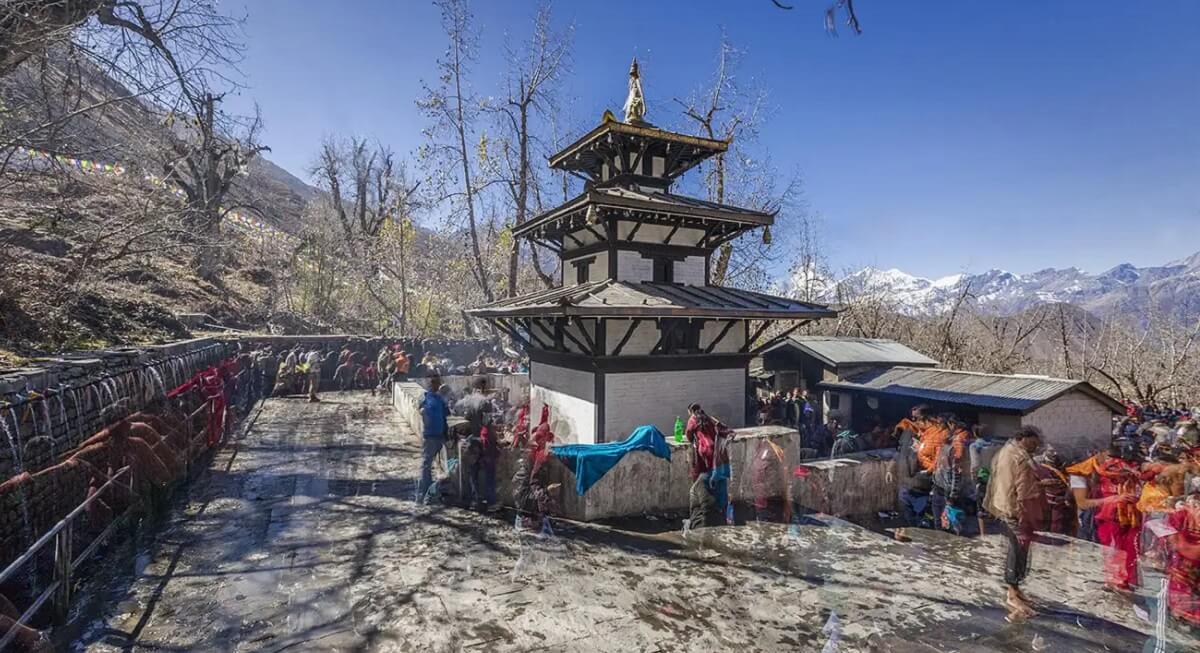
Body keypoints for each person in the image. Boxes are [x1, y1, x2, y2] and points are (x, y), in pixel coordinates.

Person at [1067, 438, 1144, 594]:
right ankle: (1111, 580)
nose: (1113, 462)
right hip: (1098, 513)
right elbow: (1082, 503)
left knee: (1123, 547)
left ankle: (1120, 581)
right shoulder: (1079, 473)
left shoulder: (1122, 469)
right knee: (1108, 548)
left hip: (1122, 513)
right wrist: (1112, 499)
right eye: (1108, 457)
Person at [985, 425, 1044, 622]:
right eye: (1033, 443)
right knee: (1018, 549)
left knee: (1017, 547)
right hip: (1016, 510)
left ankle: (1016, 589)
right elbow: (1025, 491)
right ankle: (1012, 592)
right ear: (1023, 438)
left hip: (1003, 505)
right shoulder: (1021, 459)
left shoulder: (1005, 451)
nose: (1036, 447)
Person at [685, 403, 732, 530]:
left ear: (690, 411)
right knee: (719, 477)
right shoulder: (708, 417)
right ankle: (723, 511)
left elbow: (688, 434)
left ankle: (712, 512)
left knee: (705, 480)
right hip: (718, 451)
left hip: (705, 451)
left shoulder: (693, 419)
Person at [417, 376, 450, 503]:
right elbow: (420, 409)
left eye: (437, 383)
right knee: (426, 465)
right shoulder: (425, 397)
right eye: (433, 383)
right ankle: (424, 493)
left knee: (444, 465)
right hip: (430, 436)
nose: (435, 385)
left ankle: (432, 490)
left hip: (440, 435)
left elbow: (446, 413)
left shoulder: (439, 398)